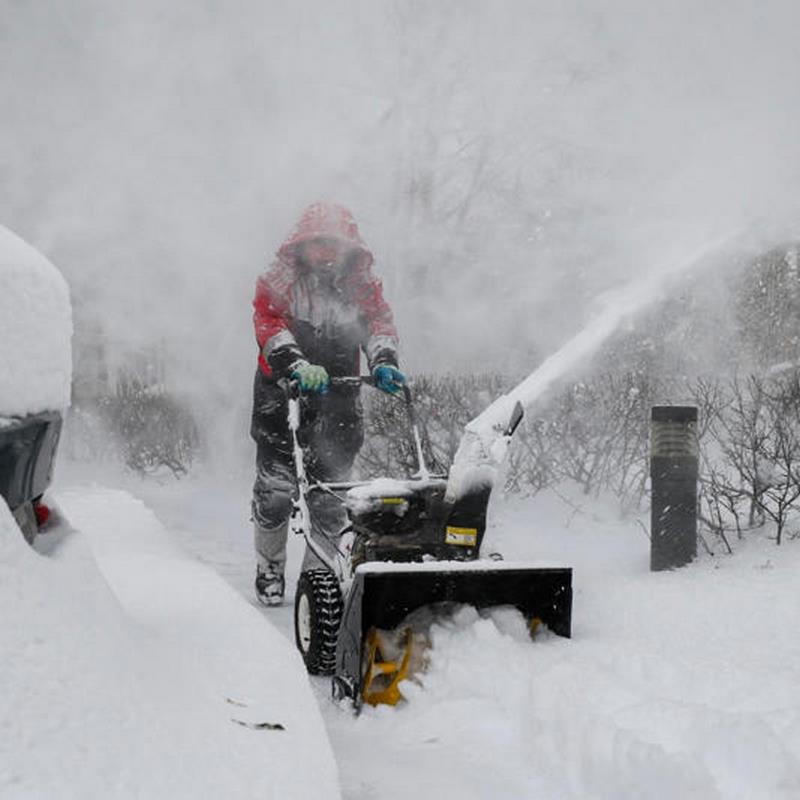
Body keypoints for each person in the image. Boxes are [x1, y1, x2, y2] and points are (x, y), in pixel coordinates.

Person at [250, 202, 405, 605]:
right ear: (301, 245)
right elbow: (268, 322)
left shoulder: (361, 285)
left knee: (331, 494)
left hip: (339, 394)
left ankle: (315, 584)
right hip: (281, 392)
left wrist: (383, 359)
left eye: (334, 244)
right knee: (277, 490)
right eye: (318, 243)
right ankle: (269, 567)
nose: (326, 253)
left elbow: (379, 323)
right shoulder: (279, 280)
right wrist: (296, 362)